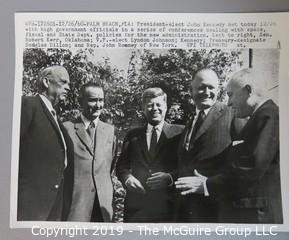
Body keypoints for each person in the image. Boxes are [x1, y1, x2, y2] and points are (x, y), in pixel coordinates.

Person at [205, 68, 283, 223]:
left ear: (249, 90)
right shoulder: (259, 118)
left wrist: (208, 184)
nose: (228, 103)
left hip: (256, 216)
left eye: (230, 95)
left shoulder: (269, 116)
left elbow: (252, 166)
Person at [116, 87, 184, 222]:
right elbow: (121, 167)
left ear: (166, 107)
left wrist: (170, 177)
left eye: (158, 104)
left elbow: (188, 165)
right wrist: (128, 179)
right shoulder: (132, 135)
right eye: (150, 105)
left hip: (169, 208)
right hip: (137, 209)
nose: (154, 108)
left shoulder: (180, 133)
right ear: (143, 108)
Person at [175, 68, 233, 222]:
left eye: (211, 87)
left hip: (215, 210)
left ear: (218, 89)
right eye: (201, 87)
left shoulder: (232, 114)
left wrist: (209, 185)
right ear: (191, 90)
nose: (207, 92)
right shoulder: (189, 123)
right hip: (186, 211)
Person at [18, 65, 74, 221]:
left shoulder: (56, 118)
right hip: (30, 204)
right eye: (63, 82)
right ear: (46, 82)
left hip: (54, 204)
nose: (68, 88)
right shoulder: (28, 105)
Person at [63, 82, 117, 222]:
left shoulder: (110, 131)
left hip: (103, 208)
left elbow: (110, 167)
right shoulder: (66, 129)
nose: (98, 105)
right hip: (75, 207)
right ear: (80, 101)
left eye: (101, 100)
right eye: (93, 100)